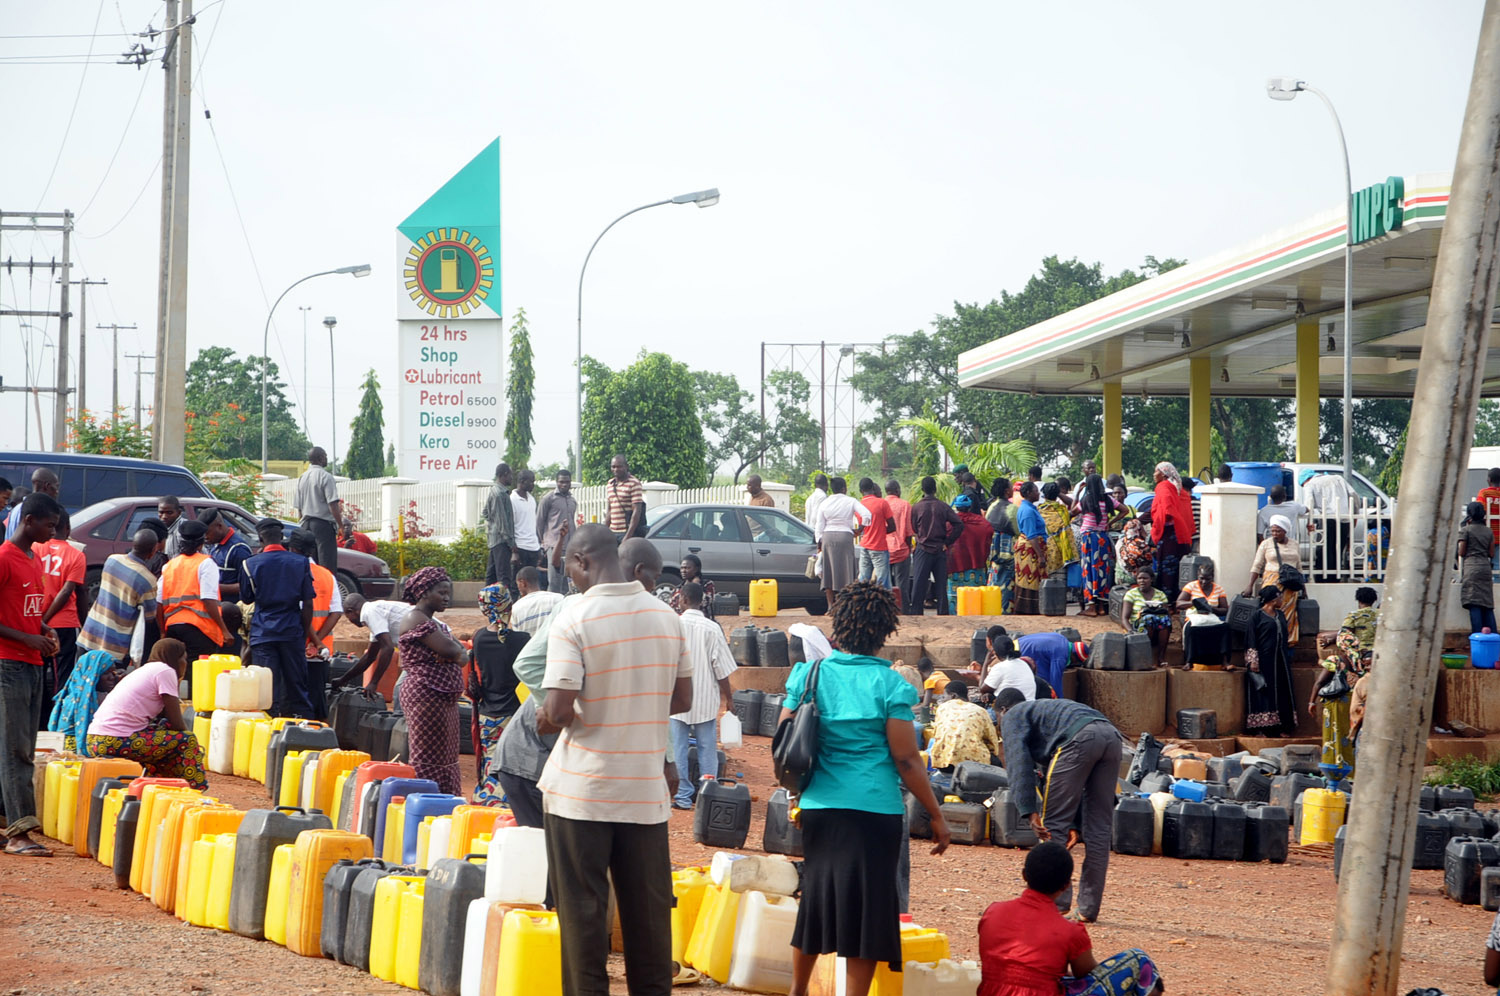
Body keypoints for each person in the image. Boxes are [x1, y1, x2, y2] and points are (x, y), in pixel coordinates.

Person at [537, 523, 692, 996]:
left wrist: (545, 717)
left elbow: (560, 710)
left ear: (583, 560)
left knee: (583, 926)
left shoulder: (575, 617)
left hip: (581, 793)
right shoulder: (667, 616)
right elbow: (681, 698)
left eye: (567, 563)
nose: (567, 574)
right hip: (643, 795)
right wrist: (633, 702)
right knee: (648, 927)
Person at [780, 581, 950, 996]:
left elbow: (785, 735)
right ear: (884, 632)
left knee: (816, 899)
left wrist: (799, 791)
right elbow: (907, 760)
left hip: (820, 805)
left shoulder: (810, 673)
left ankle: (798, 991)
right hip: (876, 811)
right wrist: (937, 815)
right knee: (871, 909)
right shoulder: (892, 686)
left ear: (838, 628)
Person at [995, 689, 1120, 923]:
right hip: (1110, 736)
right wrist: (1075, 823)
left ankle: (1056, 905)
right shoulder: (1046, 715)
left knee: (1052, 828)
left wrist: (1029, 812)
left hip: (1078, 739)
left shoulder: (1013, 715)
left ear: (1002, 710)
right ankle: (1087, 909)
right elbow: (1059, 778)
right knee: (1099, 830)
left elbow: (1017, 763)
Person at [978, 841, 1162, 996]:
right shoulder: (1070, 931)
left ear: (1024, 875)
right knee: (1139, 959)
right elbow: (1087, 973)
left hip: (992, 991)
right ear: (1066, 885)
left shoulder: (993, 912)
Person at [0, 492, 61, 856]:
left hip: (31, 661)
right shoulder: (5, 558)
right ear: (29, 521)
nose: (51, 533)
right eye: (48, 525)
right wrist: (27, 638)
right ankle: (20, 830)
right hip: (9, 662)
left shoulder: (32, 559)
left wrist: (43, 630)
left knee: (13, 745)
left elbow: (26, 610)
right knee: (16, 749)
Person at [84, 638, 207, 790]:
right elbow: (177, 722)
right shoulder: (165, 671)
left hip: (94, 740)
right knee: (187, 740)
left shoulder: (146, 670)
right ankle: (196, 790)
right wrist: (194, 745)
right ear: (174, 657)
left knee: (164, 736)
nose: (185, 663)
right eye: (184, 658)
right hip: (114, 740)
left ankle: (164, 787)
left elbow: (165, 719)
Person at [395, 566, 467, 795]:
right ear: (424, 592)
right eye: (442, 592)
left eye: (448, 592)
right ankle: (427, 801)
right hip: (425, 696)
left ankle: (444, 799)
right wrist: (451, 655)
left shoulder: (433, 623)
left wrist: (453, 654)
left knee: (445, 755)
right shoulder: (416, 618)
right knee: (427, 756)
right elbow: (454, 652)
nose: (447, 597)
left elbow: (462, 655)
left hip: (440, 696)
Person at [240, 518, 318, 718]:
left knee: (267, 689)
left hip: (263, 632)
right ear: (282, 537)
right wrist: (301, 633)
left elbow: (247, 598)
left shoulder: (249, 564)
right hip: (292, 631)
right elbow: (308, 604)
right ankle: (304, 729)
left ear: (260, 538)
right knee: (297, 687)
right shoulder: (300, 562)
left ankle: (268, 734)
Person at [669, 580, 736, 810]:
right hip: (705, 699)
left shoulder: (673, 625)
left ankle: (683, 796)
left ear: (684, 600)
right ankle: (708, 794)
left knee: (677, 748)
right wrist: (729, 698)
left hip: (676, 699)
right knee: (707, 747)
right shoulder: (712, 628)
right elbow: (722, 669)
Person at [469, 584, 530, 805]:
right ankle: (507, 805)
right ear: (509, 607)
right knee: (512, 764)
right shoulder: (523, 640)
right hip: (514, 715)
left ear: (484, 610)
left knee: (489, 764)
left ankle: (485, 804)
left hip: (487, 714)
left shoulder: (478, 639)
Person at [155, 519, 231, 686]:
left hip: (173, 627)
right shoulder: (206, 563)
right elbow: (208, 598)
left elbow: (159, 604)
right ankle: (193, 710)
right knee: (197, 677)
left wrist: (162, 631)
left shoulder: (169, 566)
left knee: (176, 675)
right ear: (200, 544)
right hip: (199, 629)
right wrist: (224, 630)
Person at [77, 528, 159, 664]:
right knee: (108, 685)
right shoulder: (147, 580)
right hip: (115, 647)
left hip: (89, 634)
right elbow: (149, 617)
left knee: (81, 682)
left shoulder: (112, 560)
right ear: (153, 551)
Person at [36, 509, 85, 719]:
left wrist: (39, 620)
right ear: (68, 528)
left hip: (33, 620)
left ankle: (38, 719)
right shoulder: (76, 554)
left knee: (37, 672)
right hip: (63, 623)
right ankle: (56, 721)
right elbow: (68, 591)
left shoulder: (35, 547)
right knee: (61, 676)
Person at [288, 531, 342, 719]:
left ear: (292, 549)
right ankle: (319, 737)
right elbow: (336, 611)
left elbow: (301, 611)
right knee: (317, 697)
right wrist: (318, 641)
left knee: (294, 699)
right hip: (321, 651)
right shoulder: (327, 575)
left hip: (297, 646)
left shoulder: (293, 573)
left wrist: (312, 641)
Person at [1310, 630, 1364, 780]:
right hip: (1352, 704)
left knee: (1333, 736)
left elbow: (1320, 682)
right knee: (1348, 736)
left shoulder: (1336, 660)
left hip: (1336, 704)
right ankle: (1350, 772)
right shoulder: (1360, 661)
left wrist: (1311, 701)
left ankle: (1332, 771)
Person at [1243, 514, 1302, 649]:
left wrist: (1303, 590)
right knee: (1270, 613)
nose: (1275, 533)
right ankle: (1269, 642)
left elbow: (1299, 568)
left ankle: (1286, 645)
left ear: (1285, 530)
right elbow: (1257, 565)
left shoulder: (1294, 544)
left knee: (1288, 616)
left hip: (1290, 586)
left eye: (1278, 531)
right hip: (1272, 583)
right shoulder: (1266, 544)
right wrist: (1250, 586)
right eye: (1273, 531)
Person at [812, 477, 871, 612]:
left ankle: (830, 606)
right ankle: (845, 606)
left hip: (828, 538)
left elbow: (819, 525)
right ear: (844, 489)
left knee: (828, 572)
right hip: (845, 537)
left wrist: (819, 544)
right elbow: (867, 514)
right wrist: (859, 529)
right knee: (847, 571)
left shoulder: (825, 503)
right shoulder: (850, 501)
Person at [908, 476, 963, 617]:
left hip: (923, 548)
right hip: (940, 549)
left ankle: (916, 615)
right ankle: (943, 614)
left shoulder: (917, 507)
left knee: (918, 585)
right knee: (941, 586)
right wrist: (948, 542)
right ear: (935, 489)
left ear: (922, 489)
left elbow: (914, 527)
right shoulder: (943, 506)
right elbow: (958, 524)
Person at [1245, 585, 1296, 736]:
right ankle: (1261, 728)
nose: (1282, 600)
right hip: (1263, 661)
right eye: (1280, 597)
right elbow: (1250, 640)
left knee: (1282, 691)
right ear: (1273, 600)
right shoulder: (1257, 617)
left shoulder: (1280, 615)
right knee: (1263, 691)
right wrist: (1253, 661)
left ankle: (1282, 727)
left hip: (1280, 660)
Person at [337, 593, 409, 693]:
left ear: (351, 611)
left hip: (430, 649)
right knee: (402, 691)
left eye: (348, 616)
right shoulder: (375, 612)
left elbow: (388, 648)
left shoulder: (370, 612)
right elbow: (369, 657)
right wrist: (343, 680)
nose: (350, 621)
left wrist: (374, 683)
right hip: (426, 648)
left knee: (401, 691)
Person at [293, 447, 345, 571]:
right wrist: (341, 526)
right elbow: (332, 504)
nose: (326, 458)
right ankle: (326, 590)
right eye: (325, 456)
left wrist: (302, 527)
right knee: (326, 564)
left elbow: (299, 509)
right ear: (321, 458)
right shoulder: (325, 476)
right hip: (322, 526)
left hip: (306, 524)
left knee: (310, 564)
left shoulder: (302, 477)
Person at [928, 678, 1000, 767]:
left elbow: (937, 733)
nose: (943, 699)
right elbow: (992, 742)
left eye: (944, 696)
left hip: (943, 762)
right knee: (997, 763)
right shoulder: (980, 711)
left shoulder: (942, 708)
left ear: (953, 696)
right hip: (972, 764)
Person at [1149, 462, 1193, 602]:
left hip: (1168, 535)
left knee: (1167, 569)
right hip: (1180, 535)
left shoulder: (1163, 487)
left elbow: (1166, 510)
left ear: (1163, 474)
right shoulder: (1178, 489)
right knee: (1179, 570)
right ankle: (1178, 600)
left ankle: (1167, 601)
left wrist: (1157, 523)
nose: (1154, 474)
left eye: (1156, 471)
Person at [1075, 475, 1117, 616]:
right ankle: (1100, 606)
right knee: (1102, 570)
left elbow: (1072, 511)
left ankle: (1091, 606)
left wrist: (1076, 494)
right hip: (1102, 539)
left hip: (1088, 538)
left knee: (1088, 570)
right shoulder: (1107, 500)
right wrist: (1109, 523)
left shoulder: (1086, 500)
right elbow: (1124, 510)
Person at [946, 494, 995, 614]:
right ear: (969, 507)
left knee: (955, 597)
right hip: (976, 565)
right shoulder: (981, 522)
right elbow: (989, 532)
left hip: (955, 565)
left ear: (956, 507)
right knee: (976, 595)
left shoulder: (949, 523)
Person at [1303, 470, 1356, 579]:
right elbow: (1353, 495)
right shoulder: (1338, 478)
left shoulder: (1310, 484)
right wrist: (1354, 515)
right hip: (1344, 519)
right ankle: (1335, 578)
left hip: (1327, 520)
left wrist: (1310, 522)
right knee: (1338, 551)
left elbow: (1309, 504)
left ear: (1305, 480)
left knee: (1324, 551)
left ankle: (1323, 578)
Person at [1176, 560, 1228, 669]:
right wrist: (1194, 603)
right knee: (1191, 629)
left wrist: (1212, 608)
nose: (1204, 582)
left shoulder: (1218, 589)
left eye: (1207, 579)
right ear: (1197, 576)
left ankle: (1225, 662)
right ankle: (1189, 661)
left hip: (1211, 616)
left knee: (1225, 628)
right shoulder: (1191, 586)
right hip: (1194, 617)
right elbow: (1178, 604)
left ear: (1212, 577)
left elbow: (1224, 609)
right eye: (1201, 578)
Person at [536, 469, 577, 593]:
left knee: (567, 581)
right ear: (556, 482)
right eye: (561, 482)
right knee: (554, 581)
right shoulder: (548, 499)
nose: (564, 484)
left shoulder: (572, 500)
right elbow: (539, 522)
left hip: (569, 546)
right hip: (553, 545)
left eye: (567, 482)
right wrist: (543, 543)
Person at [1122, 567, 1172, 668]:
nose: (1142, 581)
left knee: (1165, 620)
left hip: (1158, 629)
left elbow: (1167, 613)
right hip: (1138, 628)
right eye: (1139, 578)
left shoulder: (1160, 594)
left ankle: (1161, 658)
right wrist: (1130, 631)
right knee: (1148, 618)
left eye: (1145, 578)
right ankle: (1146, 658)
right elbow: (1124, 618)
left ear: (1152, 579)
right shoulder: (1131, 594)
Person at [199, 507, 253, 601]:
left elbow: (248, 585)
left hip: (232, 608)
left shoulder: (238, 549)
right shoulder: (215, 544)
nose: (205, 537)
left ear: (219, 526)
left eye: (207, 533)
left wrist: (214, 587)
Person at [1461, 501, 1498, 633]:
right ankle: (1494, 639)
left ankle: (1477, 637)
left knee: (1474, 603)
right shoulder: (1489, 531)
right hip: (1485, 568)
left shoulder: (1466, 530)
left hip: (1471, 567)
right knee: (1487, 605)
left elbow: (1461, 552)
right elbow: (1492, 553)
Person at [854, 478, 896, 589]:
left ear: (860, 491)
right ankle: (883, 605)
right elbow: (892, 527)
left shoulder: (859, 506)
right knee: (883, 582)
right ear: (873, 488)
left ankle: (861, 603)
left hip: (864, 546)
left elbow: (862, 527)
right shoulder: (882, 503)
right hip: (879, 547)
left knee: (863, 580)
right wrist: (881, 531)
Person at [1013, 483, 1047, 616]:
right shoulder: (1027, 511)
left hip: (1032, 547)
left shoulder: (1030, 508)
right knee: (1029, 579)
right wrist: (1040, 556)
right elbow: (1031, 535)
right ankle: (1027, 609)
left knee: (1031, 579)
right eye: (1036, 491)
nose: (1038, 493)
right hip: (1030, 549)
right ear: (1028, 493)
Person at [481, 462, 517, 590]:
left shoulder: (495, 491)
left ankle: (487, 603)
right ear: (504, 475)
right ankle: (503, 605)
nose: (512, 478)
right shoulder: (499, 494)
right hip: (501, 541)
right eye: (510, 475)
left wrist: (492, 526)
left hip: (494, 539)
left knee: (491, 576)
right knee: (504, 577)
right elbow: (502, 522)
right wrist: (511, 543)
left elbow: (485, 513)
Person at [987, 478, 1019, 613]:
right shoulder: (1013, 509)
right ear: (1007, 491)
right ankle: (1005, 609)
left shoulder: (992, 506)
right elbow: (1018, 531)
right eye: (1011, 487)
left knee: (994, 579)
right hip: (1008, 551)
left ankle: (991, 606)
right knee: (1008, 582)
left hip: (993, 550)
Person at [510, 469, 543, 595]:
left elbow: (533, 525)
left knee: (532, 584)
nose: (533, 484)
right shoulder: (512, 500)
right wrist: (514, 552)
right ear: (522, 482)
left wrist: (538, 547)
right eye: (531, 482)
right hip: (520, 548)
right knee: (516, 585)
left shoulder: (532, 499)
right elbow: (510, 527)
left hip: (533, 548)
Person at [4, 468, 58, 540]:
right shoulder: (34, 509)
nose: (57, 492)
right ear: (47, 486)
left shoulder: (18, 507)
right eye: (56, 486)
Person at [884, 480, 914, 610]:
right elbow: (908, 530)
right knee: (902, 583)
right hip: (901, 549)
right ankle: (903, 610)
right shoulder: (905, 505)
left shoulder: (882, 504)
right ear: (897, 490)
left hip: (884, 549)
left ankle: (886, 609)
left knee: (885, 583)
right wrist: (909, 547)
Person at [979, 636, 1036, 704]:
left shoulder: (1000, 667)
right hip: (1030, 705)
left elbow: (982, 689)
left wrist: (985, 664)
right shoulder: (1024, 663)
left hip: (1012, 709)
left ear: (995, 653)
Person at [1037, 483, 1075, 585]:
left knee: (1046, 581)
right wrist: (1059, 494)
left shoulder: (1039, 511)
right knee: (1061, 581)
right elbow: (1072, 503)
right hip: (1062, 551)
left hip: (1045, 549)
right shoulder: (1063, 510)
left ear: (1044, 495)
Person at [1018, 630, 1077, 694]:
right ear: (1073, 656)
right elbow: (1055, 680)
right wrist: (1059, 700)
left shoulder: (1062, 638)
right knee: (1042, 681)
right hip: (1019, 652)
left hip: (1016, 643)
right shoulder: (1060, 657)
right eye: (1074, 661)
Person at [513, 566, 565, 634]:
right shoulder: (559, 599)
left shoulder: (515, 608)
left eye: (518, 585)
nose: (518, 589)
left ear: (523, 583)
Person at [606, 454, 646, 541]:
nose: (616, 469)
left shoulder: (634, 483)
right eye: (613, 467)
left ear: (626, 467)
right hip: (612, 532)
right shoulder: (610, 484)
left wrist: (627, 536)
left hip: (626, 532)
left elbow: (637, 511)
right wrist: (604, 530)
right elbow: (610, 510)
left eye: (619, 466)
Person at [1342, 586, 1380, 655]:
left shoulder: (1353, 615)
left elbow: (1345, 634)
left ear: (1358, 600)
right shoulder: (1381, 614)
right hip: (1379, 649)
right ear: (1374, 600)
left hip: (1361, 650)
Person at [157, 495, 186, 559]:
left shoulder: (184, 529)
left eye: (169, 513)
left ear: (179, 513)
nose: (164, 516)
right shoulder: (159, 527)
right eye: (161, 512)